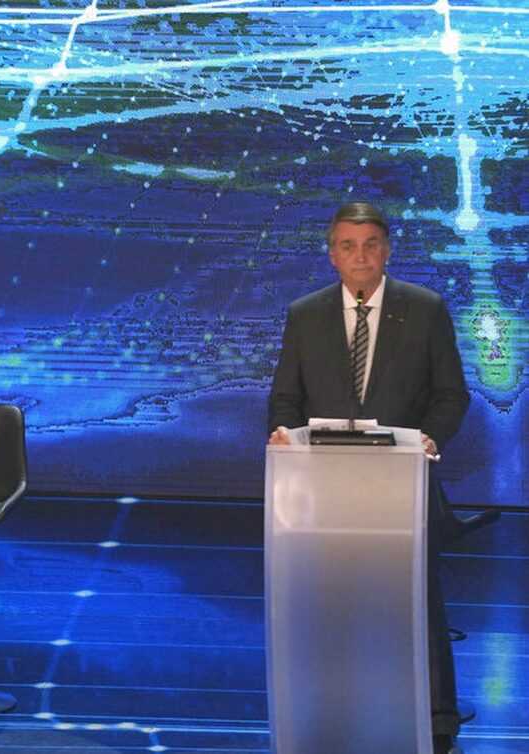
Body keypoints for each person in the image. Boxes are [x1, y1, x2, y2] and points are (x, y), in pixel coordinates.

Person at [267, 202, 469, 754]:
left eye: (371, 244)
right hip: (324, 490)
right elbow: (285, 398)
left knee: (418, 601)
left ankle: (437, 719)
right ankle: (332, 703)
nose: (361, 256)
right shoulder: (305, 315)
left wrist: (429, 439)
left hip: (401, 488)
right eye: (348, 246)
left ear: (388, 249)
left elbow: (451, 395)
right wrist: (283, 434)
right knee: (328, 599)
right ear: (332, 254)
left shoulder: (424, 310)